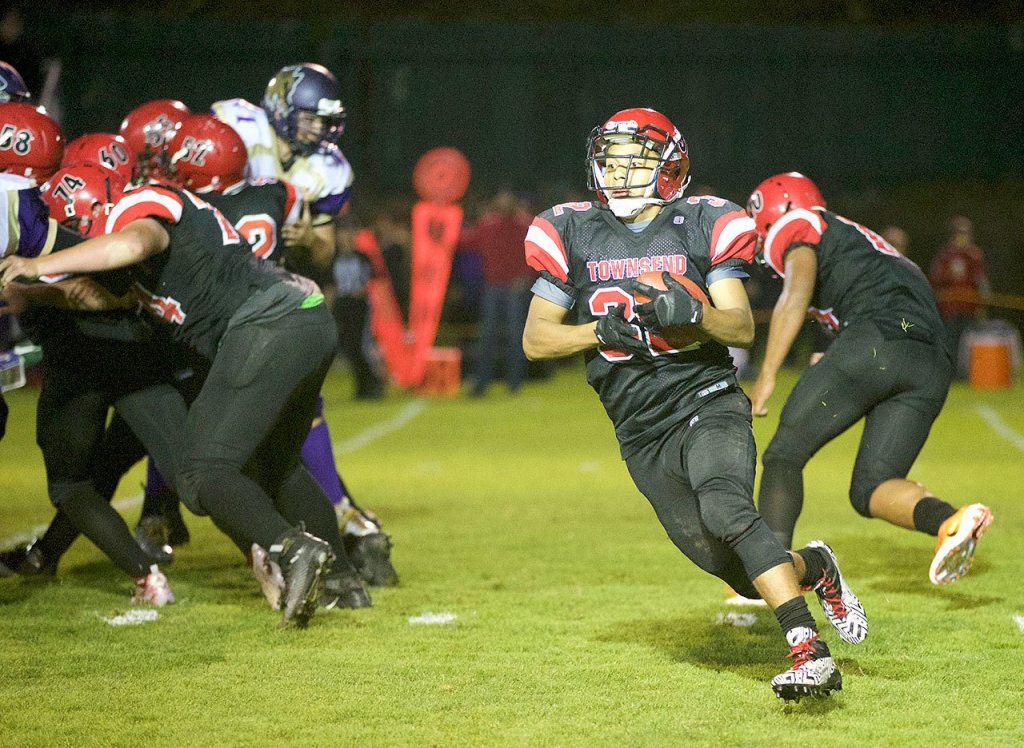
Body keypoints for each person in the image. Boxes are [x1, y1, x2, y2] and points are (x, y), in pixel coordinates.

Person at [521, 108, 867, 701]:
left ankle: (808, 651)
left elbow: (738, 328)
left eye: (636, 159)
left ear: (670, 165)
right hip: (639, 428)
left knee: (727, 507)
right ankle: (815, 566)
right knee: (729, 565)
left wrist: (697, 315)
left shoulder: (702, 221)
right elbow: (535, 339)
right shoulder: (571, 229)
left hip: (705, 398)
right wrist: (598, 333)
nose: (620, 171)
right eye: (612, 159)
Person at [0, 162, 370, 625]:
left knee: (201, 470)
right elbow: (105, 297)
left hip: (266, 324)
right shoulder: (151, 248)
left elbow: (134, 241)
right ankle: (345, 582)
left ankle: (292, 550)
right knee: (276, 467)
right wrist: (31, 293)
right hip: (303, 319)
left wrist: (39, 263)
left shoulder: (140, 205)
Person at [746, 172, 993, 586]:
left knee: (784, 455)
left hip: (878, 339)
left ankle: (768, 579)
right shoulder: (864, 245)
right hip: (930, 363)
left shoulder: (800, 223)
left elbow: (797, 289)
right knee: (872, 487)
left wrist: (767, 371)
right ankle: (950, 520)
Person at [212, 65, 398, 586]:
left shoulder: (328, 168)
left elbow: (325, 245)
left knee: (281, 409)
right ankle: (346, 520)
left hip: (271, 290)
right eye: (309, 119)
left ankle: (333, 523)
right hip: (214, 281)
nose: (318, 131)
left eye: (325, 122)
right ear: (278, 108)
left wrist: (302, 234)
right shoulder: (237, 126)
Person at [457, 191, 535, 396]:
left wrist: (526, 277)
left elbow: (538, 253)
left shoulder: (522, 225)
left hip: (508, 288)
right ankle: (488, 383)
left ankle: (511, 383)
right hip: (496, 287)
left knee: (510, 336)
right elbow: (464, 241)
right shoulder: (493, 225)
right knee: (491, 337)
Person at [928, 215, 991, 374]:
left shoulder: (974, 255)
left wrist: (983, 303)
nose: (962, 237)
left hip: (969, 307)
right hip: (950, 309)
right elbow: (936, 281)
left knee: (968, 342)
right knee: (951, 341)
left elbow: (980, 281)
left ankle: (968, 373)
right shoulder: (945, 256)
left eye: (965, 233)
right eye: (958, 233)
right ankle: (951, 373)